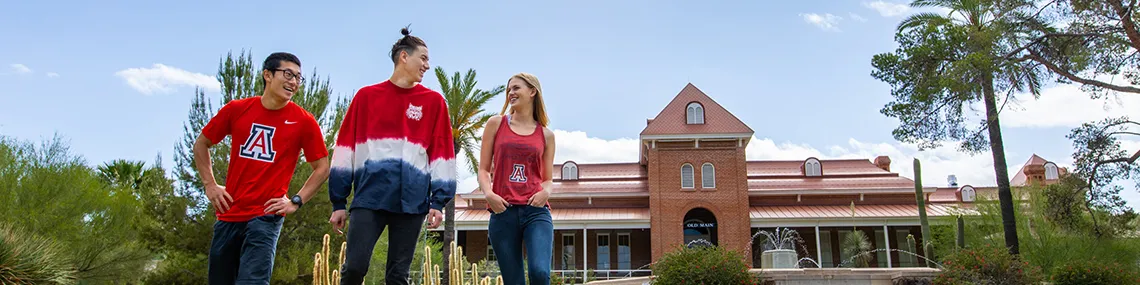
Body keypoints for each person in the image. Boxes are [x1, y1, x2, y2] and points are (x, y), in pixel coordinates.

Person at [329, 27, 456, 285]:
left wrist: (438, 201)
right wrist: (338, 202)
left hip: (412, 202)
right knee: (354, 267)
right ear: (404, 57)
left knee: (398, 276)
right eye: (424, 58)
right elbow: (345, 150)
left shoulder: (434, 103)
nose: (427, 66)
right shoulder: (366, 97)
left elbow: (442, 153)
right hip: (369, 197)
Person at [194, 51, 331, 285]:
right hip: (229, 212)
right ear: (267, 75)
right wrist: (210, 185)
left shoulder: (304, 121)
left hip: (266, 216)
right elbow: (201, 144)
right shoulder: (237, 109)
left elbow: (322, 167)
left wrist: (296, 201)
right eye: (288, 74)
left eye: (299, 77)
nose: (294, 82)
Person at [478, 72, 556, 285]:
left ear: (532, 91)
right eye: (509, 89)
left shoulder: (546, 135)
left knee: (540, 273)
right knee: (514, 281)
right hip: (503, 212)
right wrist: (489, 194)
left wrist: (545, 192)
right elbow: (484, 170)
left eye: (516, 88)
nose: (510, 93)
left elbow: (547, 179)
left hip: (536, 212)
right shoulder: (496, 124)